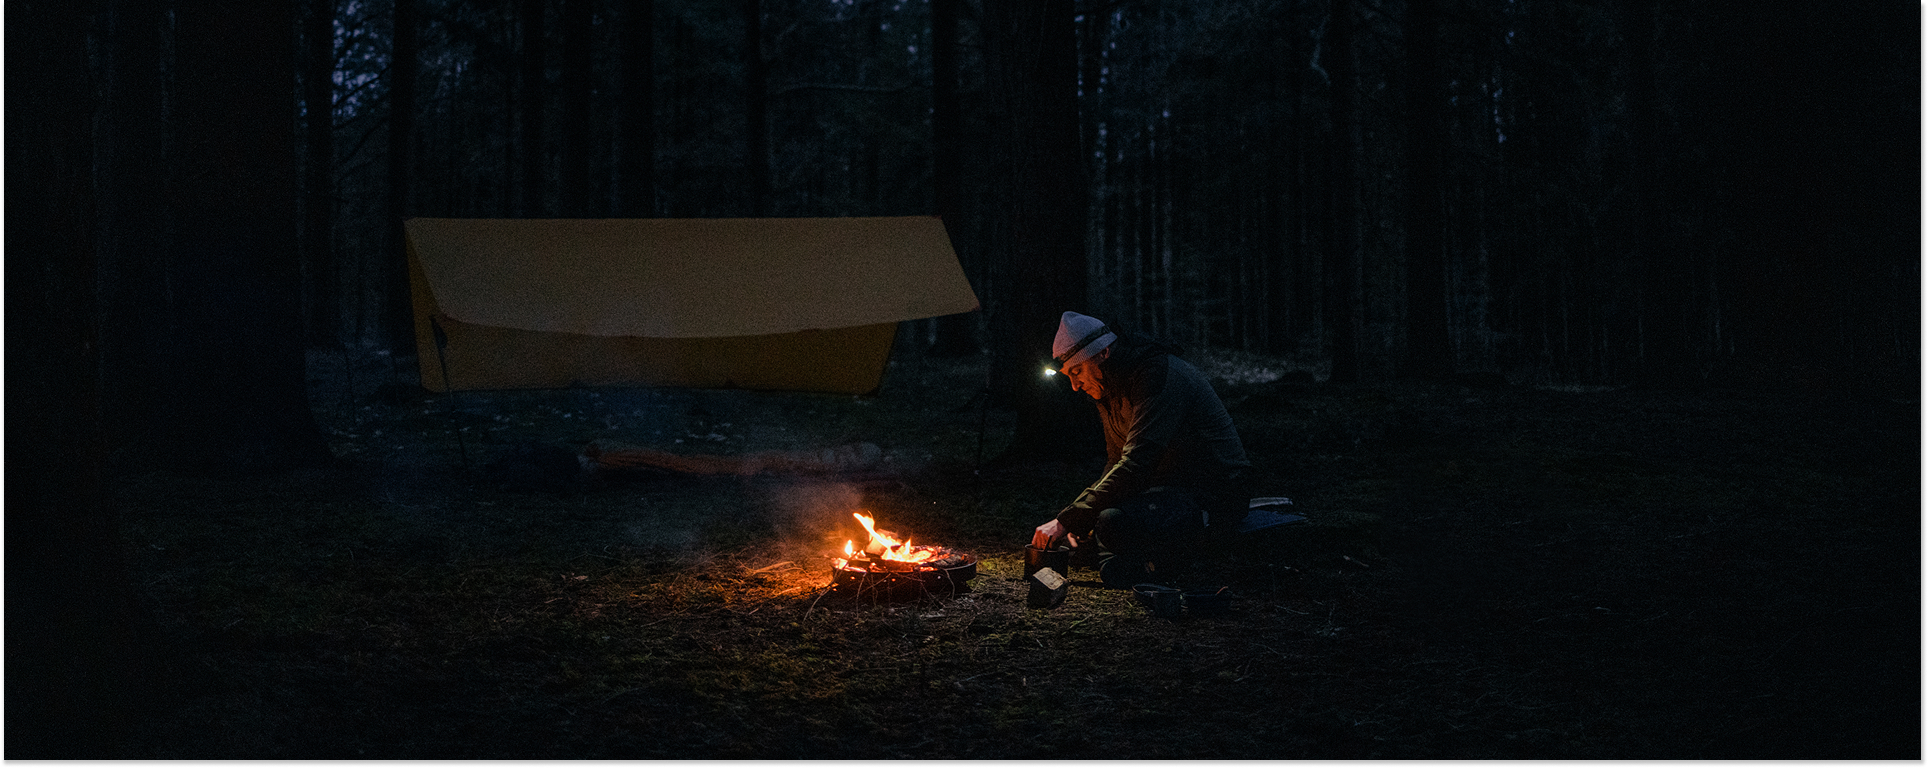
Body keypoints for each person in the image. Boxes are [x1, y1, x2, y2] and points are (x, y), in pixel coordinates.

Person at [1030, 311, 1254, 587]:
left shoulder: (1155, 375)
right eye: (1069, 376)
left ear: (1104, 353)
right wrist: (1080, 519)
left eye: (1076, 372)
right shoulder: (1109, 385)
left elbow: (1137, 463)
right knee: (1100, 524)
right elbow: (1116, 463)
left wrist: (1069, 519)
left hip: (1215, 489)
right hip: (1163, 487)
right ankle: (1134, 561)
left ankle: (1176, 553)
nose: (1075, 386)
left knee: (1111, 523)